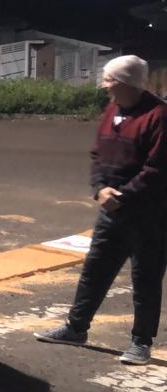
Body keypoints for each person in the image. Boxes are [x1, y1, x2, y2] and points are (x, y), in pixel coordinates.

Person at [35, 55, 167, 365]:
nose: (104, 85)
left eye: (109, 80)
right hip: (112, 211)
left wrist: (123, 195)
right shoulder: (113, 110)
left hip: (150, 216)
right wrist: (99, 189)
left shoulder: (158, 115)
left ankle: (141, 342)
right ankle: (76, 328)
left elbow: (158, 168)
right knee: (94, 272)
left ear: (125, 83)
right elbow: (98, 154)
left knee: (146, 278)